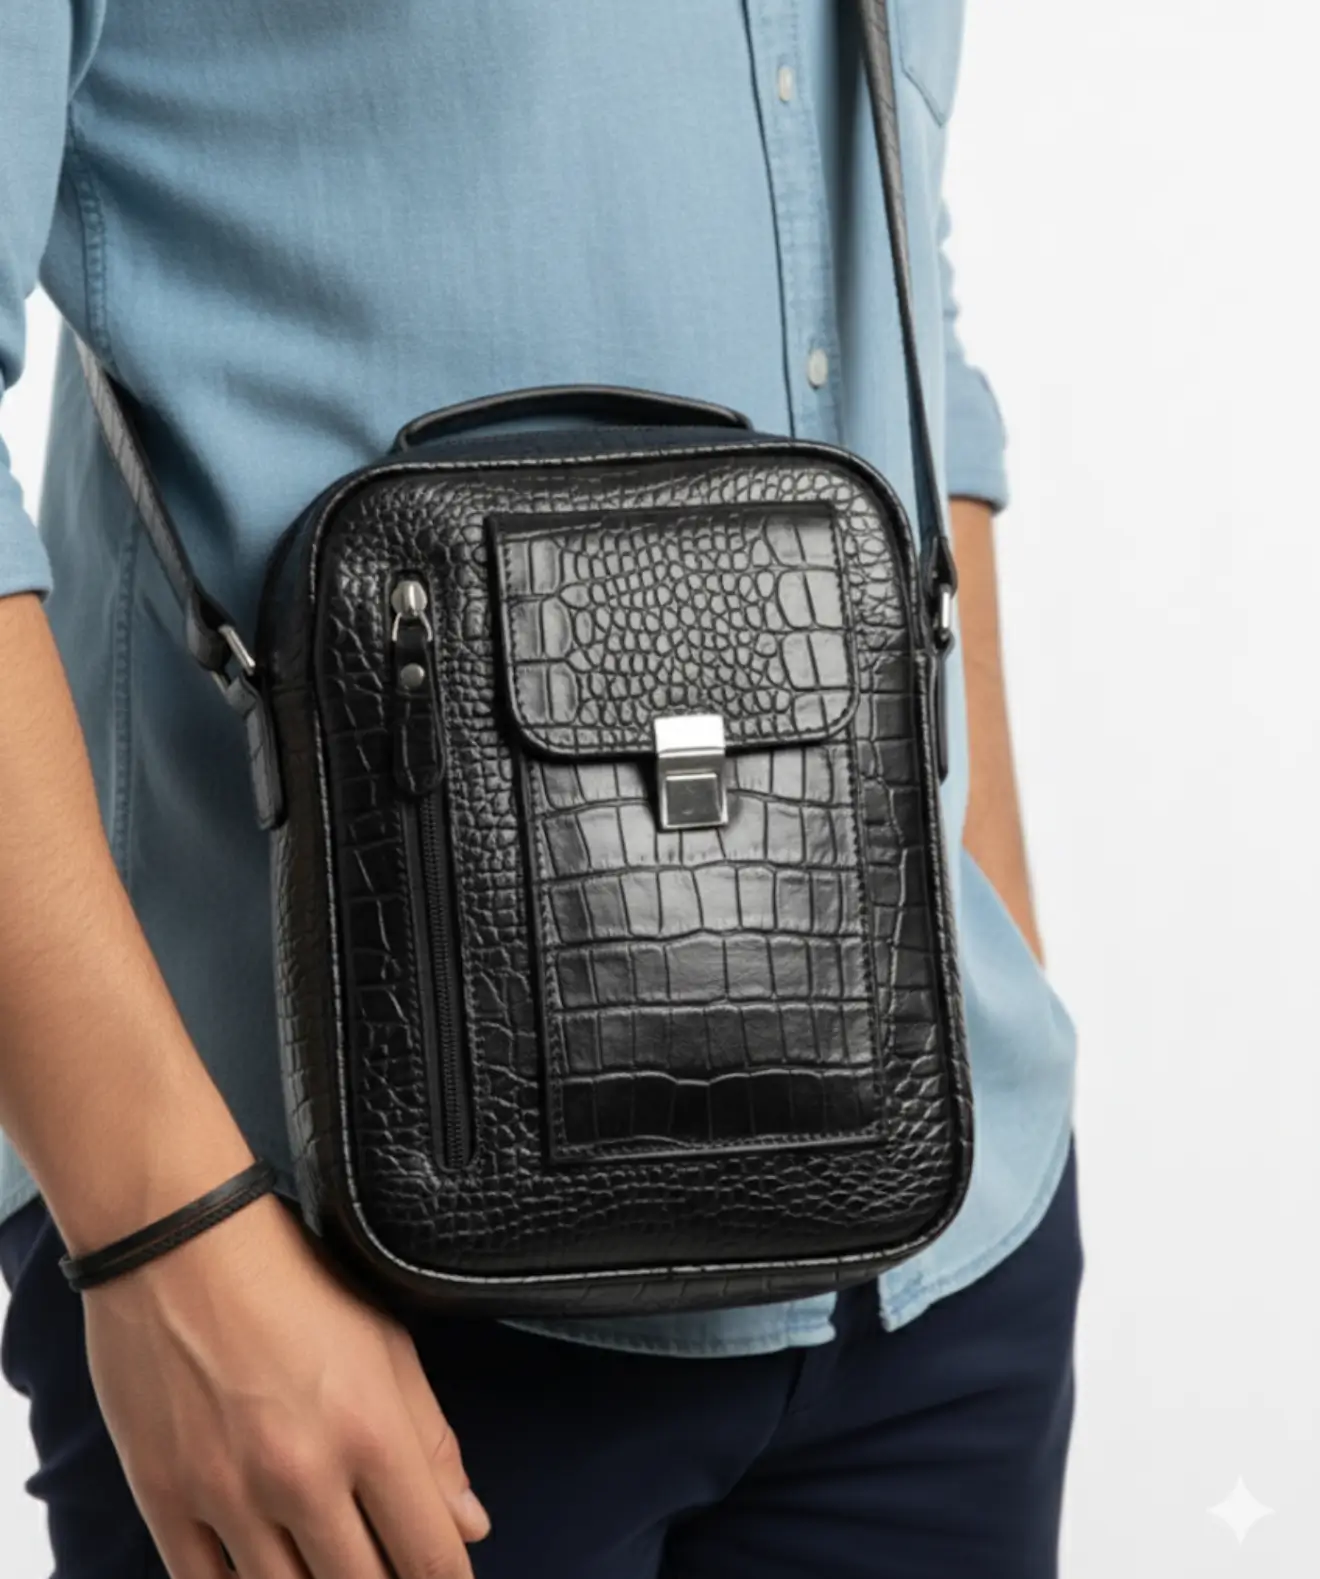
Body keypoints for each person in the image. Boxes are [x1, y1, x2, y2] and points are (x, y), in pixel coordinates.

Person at [0, 4, 1081, 1577]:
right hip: (329, 1296)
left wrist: (991, 938)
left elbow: (901, 253)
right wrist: (162, 1232)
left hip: (940, 1264)